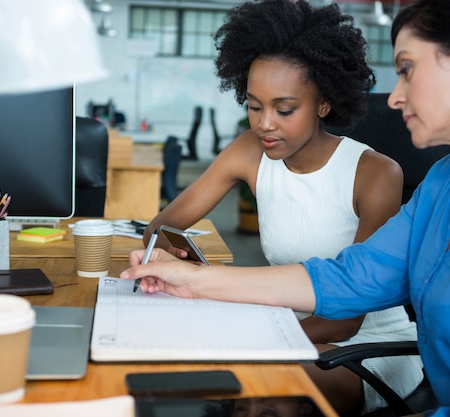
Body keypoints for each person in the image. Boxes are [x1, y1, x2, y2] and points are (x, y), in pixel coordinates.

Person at [124, 0, 450, 415]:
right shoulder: (446, 181)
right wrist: (192, 280)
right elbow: (350, 277)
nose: (395, 97)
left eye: (407, 69)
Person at [142, 0, 422, 414]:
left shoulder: (374, 174)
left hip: (363, 347)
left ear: (323, 104)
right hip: (281, 330)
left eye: (284, 109)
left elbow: (346, 320)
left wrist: (250, 333)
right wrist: (175, 253)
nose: (264, 124)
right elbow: (160, 228)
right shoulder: (248, 152)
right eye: (254, 106)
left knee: (263, 393)